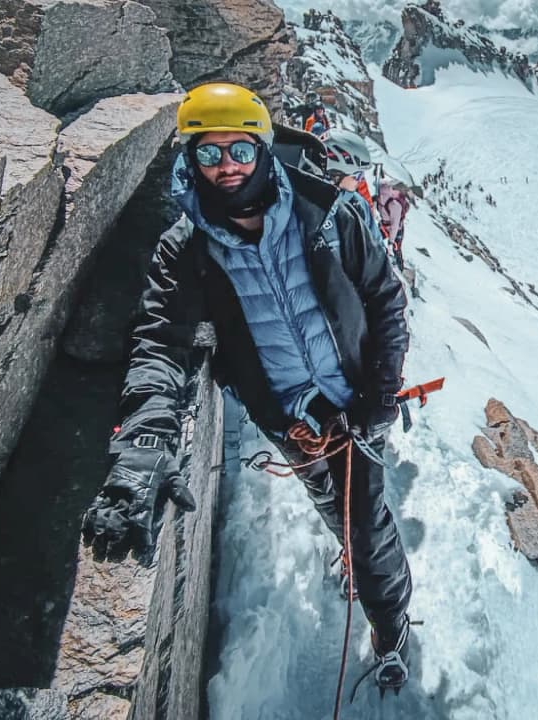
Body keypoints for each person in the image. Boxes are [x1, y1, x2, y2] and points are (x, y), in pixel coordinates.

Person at [81, 83, 414, 692]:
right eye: (209, 154)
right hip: (290, 419)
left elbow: (387, 300)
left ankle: (391, 630)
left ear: (262, 147)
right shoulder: (187, 250)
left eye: (238, 149)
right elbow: (158, 341)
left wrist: (380, 397)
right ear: (190, 159)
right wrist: (144, 442)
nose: (226, 166)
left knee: (368, 528)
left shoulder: (328, 214)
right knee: (335, 509)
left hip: (358, 406)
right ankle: (353, 554)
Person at [321, 129, 384, 242]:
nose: (360, 181)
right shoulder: (311, 208)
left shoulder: (359, 205)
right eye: (358, 175)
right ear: (337, 175)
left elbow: (377, 246)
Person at [378, 179, 411, 270]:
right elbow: (395, 225)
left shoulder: (379, 192)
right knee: (397, 249)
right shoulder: (394, 204)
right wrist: (391, 242)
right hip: (393, 227)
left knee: (375, 239)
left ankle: (398, 267)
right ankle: (399, 268)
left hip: (387, 226)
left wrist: (390, 241)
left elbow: (394, 225)